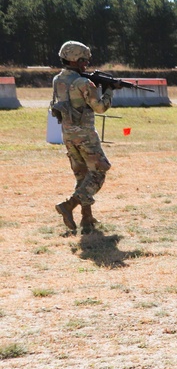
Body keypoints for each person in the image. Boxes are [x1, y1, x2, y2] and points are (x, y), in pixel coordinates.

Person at [50, 41, 115, 234]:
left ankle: (87, 218)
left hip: (68, 135)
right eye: (84, 60)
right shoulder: (84, 83)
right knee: (99, 172)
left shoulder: (57, 80)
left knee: (82, 175)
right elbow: (100, 107)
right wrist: (110, 89)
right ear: (77, 60)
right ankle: (68, 205)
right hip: (85, 135)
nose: (86, 64)